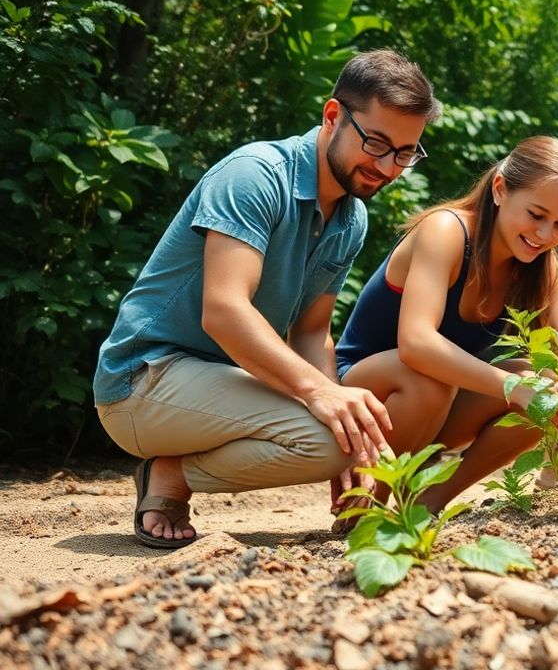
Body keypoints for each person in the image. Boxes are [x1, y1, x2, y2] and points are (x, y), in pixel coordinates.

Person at [93, 49, 441, 548]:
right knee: (329, 434)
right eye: (377, 143)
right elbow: (225, 310)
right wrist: (321, 396)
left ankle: (173, 470)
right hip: (144, 379)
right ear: (332, 116)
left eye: (405, 153)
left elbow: (311, 331)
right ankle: (170, 476)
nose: (387, 167)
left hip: (225, 383)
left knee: (340, 438)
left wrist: (338, 412)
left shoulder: (351, 218)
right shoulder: (255, 174)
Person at [333, 136, 558, 517]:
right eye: (536, 215)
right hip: (365, 394)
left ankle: (430, 501)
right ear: (500, 190)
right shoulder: (445, 231)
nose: (545, 235)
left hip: (439, 402)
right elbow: (416, 344)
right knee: (437, 379)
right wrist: (513, 389)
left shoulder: (542, 267)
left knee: (549, 391)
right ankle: (368, 505)